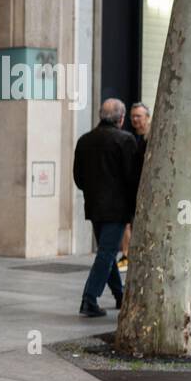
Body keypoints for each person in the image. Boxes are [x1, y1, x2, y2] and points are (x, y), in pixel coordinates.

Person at [72, 98, 140, 317]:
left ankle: (120, 295)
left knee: (106, 251)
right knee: (107, 252)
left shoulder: (84, 140)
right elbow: (132, 178)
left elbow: (79, 178)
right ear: (121, 118)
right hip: (117, 209)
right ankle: (89, 299)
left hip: (94, 206)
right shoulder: (126, 140)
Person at [119, 100, 151, 272]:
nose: (135, 119)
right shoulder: (131, 137)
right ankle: (127, 256)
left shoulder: (151, 138)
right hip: (131, 188)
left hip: (145, 190)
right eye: (132, 116)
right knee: (126, 223)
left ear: (147, 117)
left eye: (138, 116)